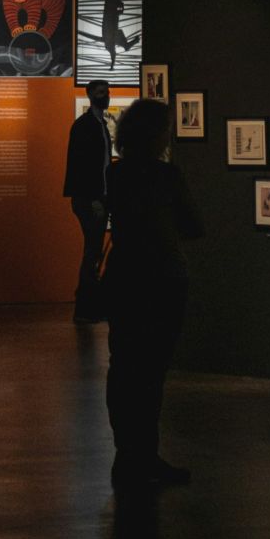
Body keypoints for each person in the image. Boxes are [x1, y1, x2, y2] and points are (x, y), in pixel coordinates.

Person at [101, 98, 202, 489]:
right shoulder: (166, 176)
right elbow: (193, 226)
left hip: (125, 278)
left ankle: (128, 453)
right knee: (151, 372)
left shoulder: (115, 174)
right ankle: (144, 455)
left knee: (124, 366)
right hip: (163, 279)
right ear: (157, 135)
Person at [64, 80, 115, 324]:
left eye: (107, 92)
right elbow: (81, 166)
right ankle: (85, 307)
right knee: (92, 251)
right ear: (91, 95)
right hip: (90, 198)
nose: (106, 96)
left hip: (97, 197)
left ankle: (87, 304)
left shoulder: (97, 125)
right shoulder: (86, 126)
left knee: (93, 250)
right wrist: (94, 198)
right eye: (102, 92)